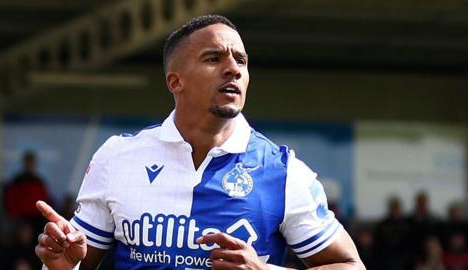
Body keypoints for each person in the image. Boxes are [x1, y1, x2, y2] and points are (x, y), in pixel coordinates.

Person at [35, 15, 364, 270]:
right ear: (175, 81)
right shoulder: (118, 157)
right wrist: (63, 266)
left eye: (241, 60)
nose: (233, 69)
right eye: (213, 59)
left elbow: (353, 265)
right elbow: (75, 260)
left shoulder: (284, 173)